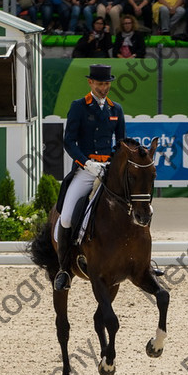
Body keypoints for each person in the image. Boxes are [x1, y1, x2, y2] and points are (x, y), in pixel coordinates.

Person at [54, 63, 126, 291]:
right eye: (100, 84)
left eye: (107, 84)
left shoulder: (116, 110)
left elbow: (121, 143)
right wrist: (87, 162)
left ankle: (140, 260)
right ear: (90, 83)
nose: (104, 88)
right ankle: (64, 269)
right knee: (66, 218)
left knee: (137, 205)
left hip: (108, 170)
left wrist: (115, 164)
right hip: (87, 170)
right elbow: (69, 141)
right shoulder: (79, 107)